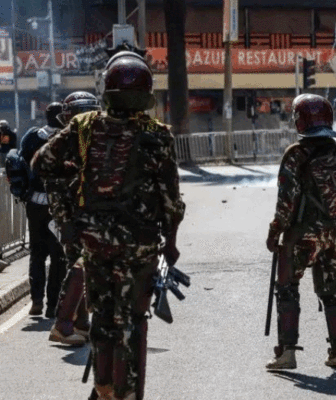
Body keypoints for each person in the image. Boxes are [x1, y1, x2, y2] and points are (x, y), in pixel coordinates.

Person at [33, 51, 184, 400]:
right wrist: (171, 241)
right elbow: (171, 201)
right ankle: (128, 392)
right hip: (141, 247)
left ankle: (103, 388)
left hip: (95, 245)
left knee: (102, 318)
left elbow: (42, 163)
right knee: (133, 320)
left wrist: (78, 172)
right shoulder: (158, 135)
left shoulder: (83, 127)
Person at [265, 93, 336, 371]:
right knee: (331, 290)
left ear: (300, 120)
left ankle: (286, 353)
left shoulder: (296, 154)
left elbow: (286, 202)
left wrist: (274, 231)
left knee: (287, 288)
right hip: (334, 233)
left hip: (301, 236)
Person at [46, 91, 102, 346]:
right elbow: (55, 186)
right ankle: (63, 324)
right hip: (71, 216)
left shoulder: (90, 141)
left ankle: (80, 323)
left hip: (89, 215)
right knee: (78, 267)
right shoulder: (61, 143)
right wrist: (65, 223)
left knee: (84, 269)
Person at [20, 103, 68, 318]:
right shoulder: (68, 138)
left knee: (37, 254)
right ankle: (52, 305)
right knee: (59, 256)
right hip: (60, 206)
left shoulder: (32, 136)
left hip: (35, 205)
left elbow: (21, 163)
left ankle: (36, 300)